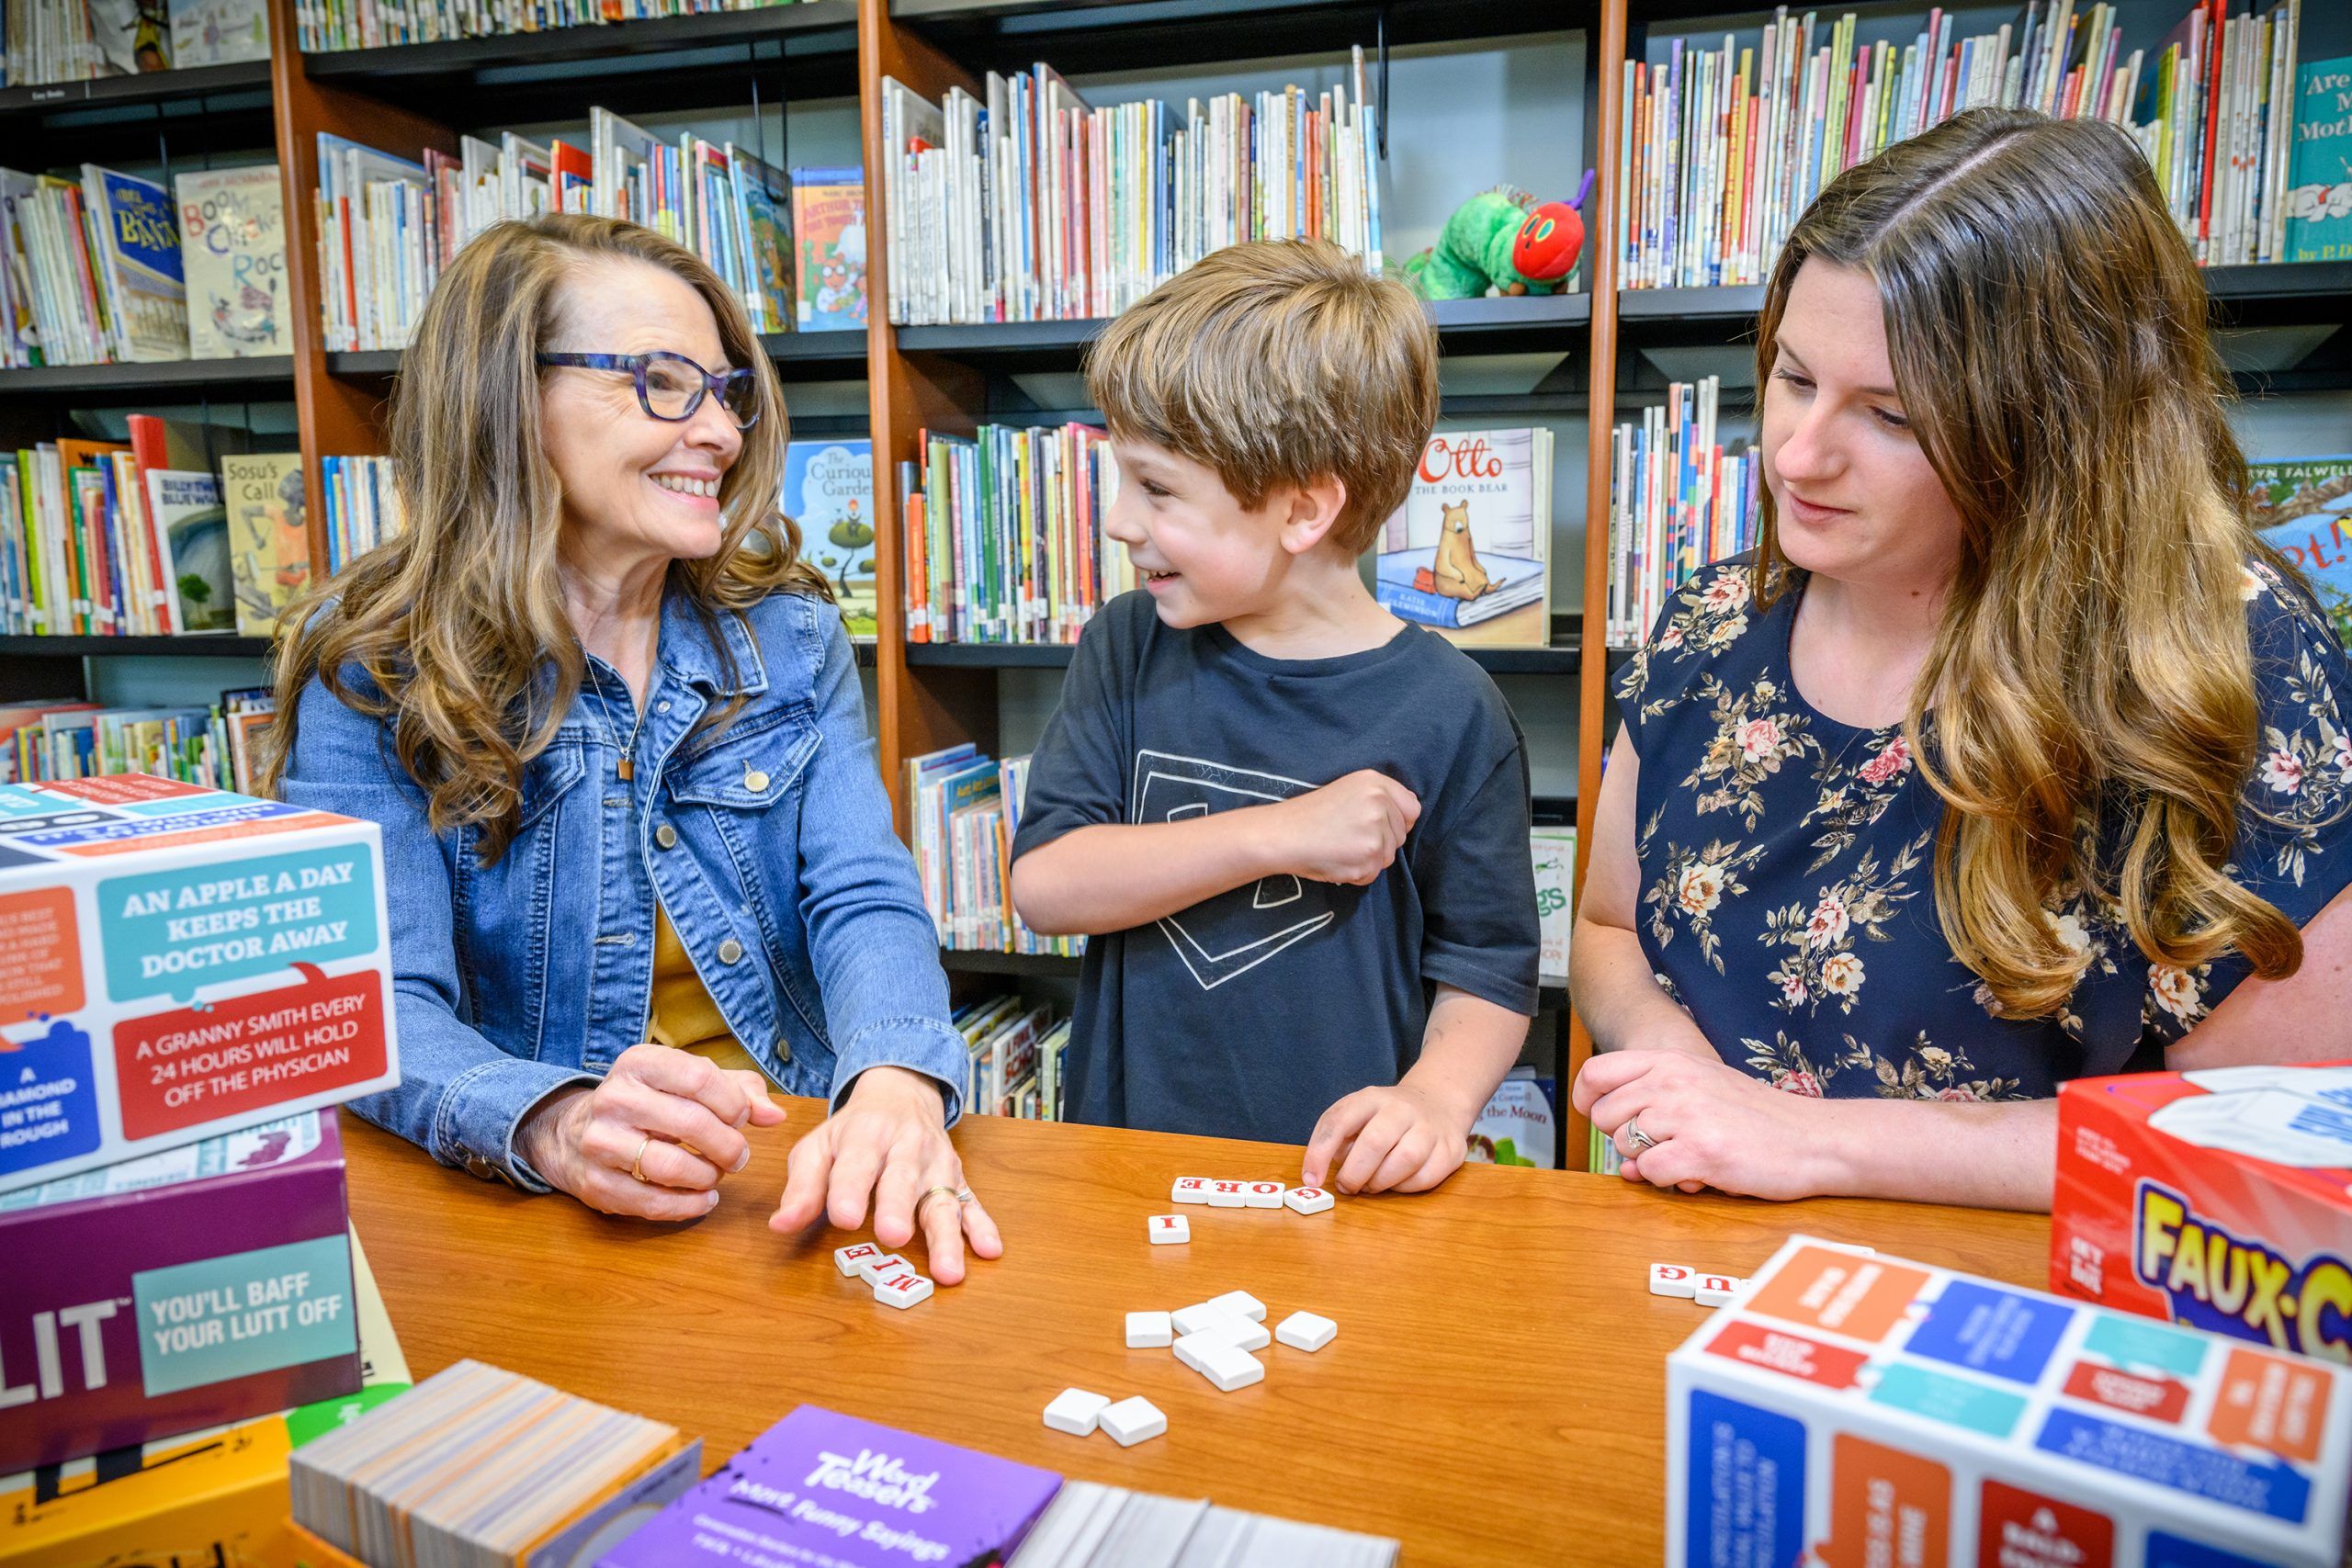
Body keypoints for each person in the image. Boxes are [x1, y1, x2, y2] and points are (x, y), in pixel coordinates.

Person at [1570, 108, 2352, 1211]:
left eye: (1889, 415)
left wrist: (1810, 1142)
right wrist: (1676, 1066)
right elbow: (1607, 926)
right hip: (1700, 1279)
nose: (1797, 457)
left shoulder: (2219, 666)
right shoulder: (1712, 622)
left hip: (2021, 1323)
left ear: (2058, 434)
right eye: (1792, 379)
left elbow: (2274, 1134)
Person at [266, 215, 1001, 1282]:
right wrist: (555, 1125)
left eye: (725, 389)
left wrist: (894, 1080)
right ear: (507, 399)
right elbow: (374, 1005)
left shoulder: (791, 633)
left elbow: (863, 896)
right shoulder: (371, 665)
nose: (719, 432)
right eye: (661, 381)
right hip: (533, 1207)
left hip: (783, 1180)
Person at [1008, 239, 1541, 1195]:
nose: (1120, 520)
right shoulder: (1127, 644)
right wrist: (1277, 834)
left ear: (1302, 510)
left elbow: (1488, 968)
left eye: (1156, 487)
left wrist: (1434, 1103)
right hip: (1124, 1175)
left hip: (1338, 1190)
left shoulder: (1455, 712)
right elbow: (1048, 887)